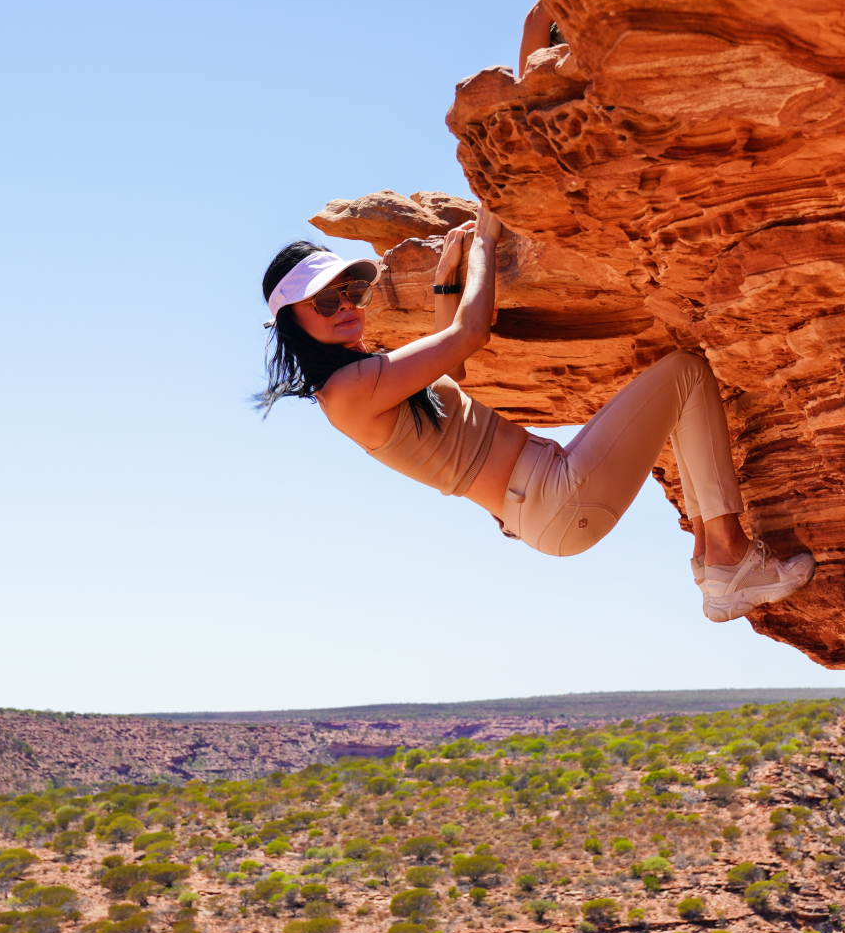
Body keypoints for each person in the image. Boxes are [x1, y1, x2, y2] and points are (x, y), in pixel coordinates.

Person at [257, 205, 814, 622]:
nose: (347, 307)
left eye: (350, 291)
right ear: (292, 324)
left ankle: (713, 557)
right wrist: (485, 245)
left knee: (680, 393)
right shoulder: (346, 390)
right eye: (326, 302)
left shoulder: (362, 377)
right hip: (554, 496)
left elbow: (455, 375)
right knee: (686, 370)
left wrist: (449, 276)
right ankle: (729, 557)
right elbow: (470, 335)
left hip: (549, 495)